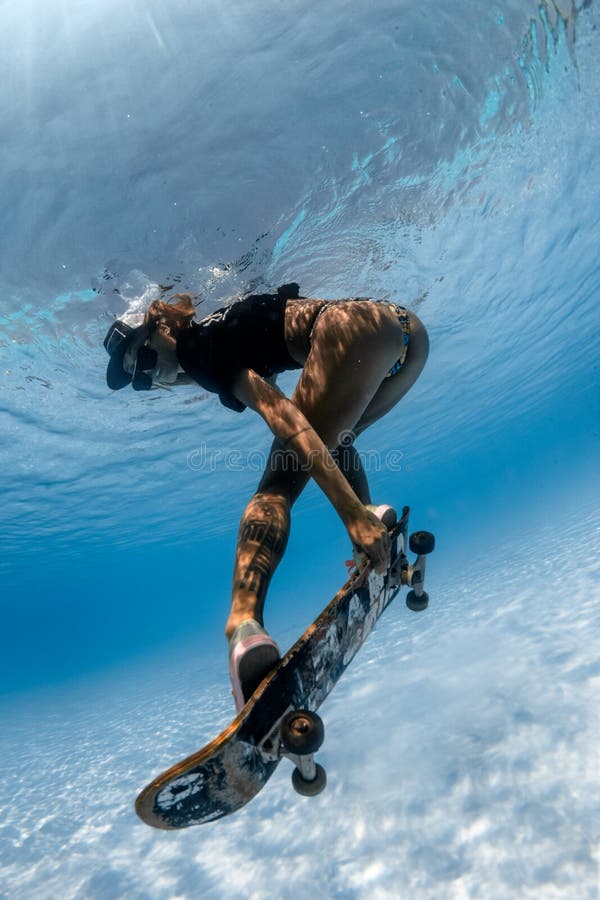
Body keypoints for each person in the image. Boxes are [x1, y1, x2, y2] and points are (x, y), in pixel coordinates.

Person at [104, 283, 429, 711]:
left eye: (145, 359)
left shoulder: (197, 350)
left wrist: (348, 513)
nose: (155, 375)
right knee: (335, 439)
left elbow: (282, 414)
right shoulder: (220, 327)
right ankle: (372, 516)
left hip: (349, 335)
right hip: (402, 333)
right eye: (142, 382)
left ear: (162, 323)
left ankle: (243, 625)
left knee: (276, 486)